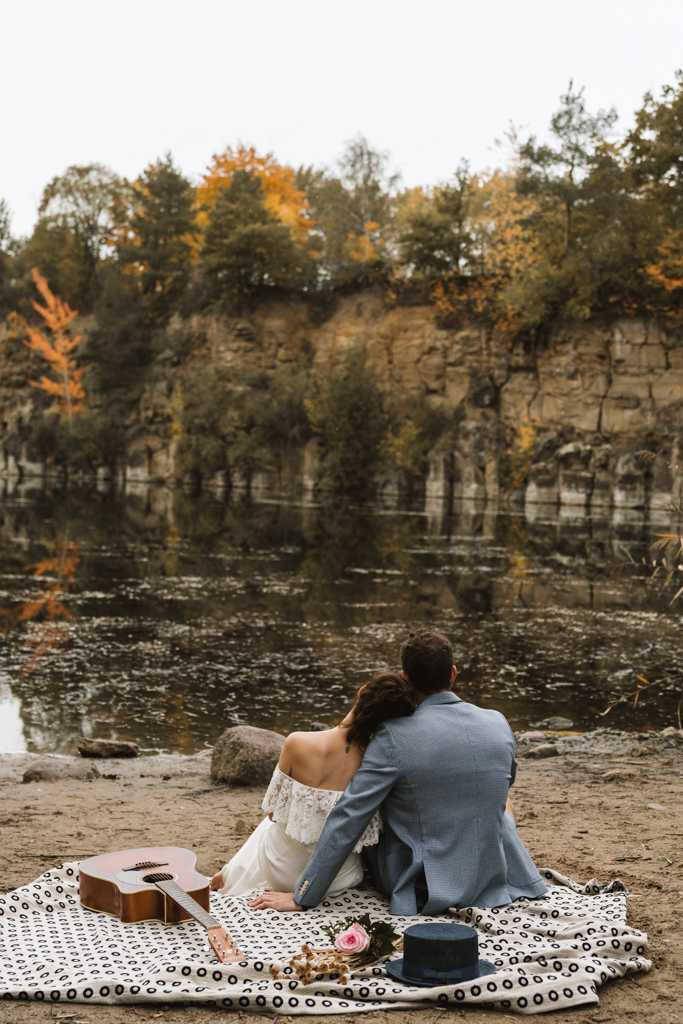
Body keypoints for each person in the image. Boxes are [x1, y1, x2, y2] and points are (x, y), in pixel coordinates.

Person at [248, 628, 548, 916]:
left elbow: (349, 817)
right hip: (492, 871)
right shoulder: (498, 722)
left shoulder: (392, 735)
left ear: (405, 678)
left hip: (422, 883)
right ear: (453, 673)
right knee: (498, 800)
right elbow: (503, 787)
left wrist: (303, 895)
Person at [210, 673, 416, 898]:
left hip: (278, 869)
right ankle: (229, 872)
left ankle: (230, 873)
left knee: (272, 825)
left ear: (362, 691)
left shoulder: (296, 742)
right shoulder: (374, 763)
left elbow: (272, 815)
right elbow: (369, 842)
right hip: (337, 877)